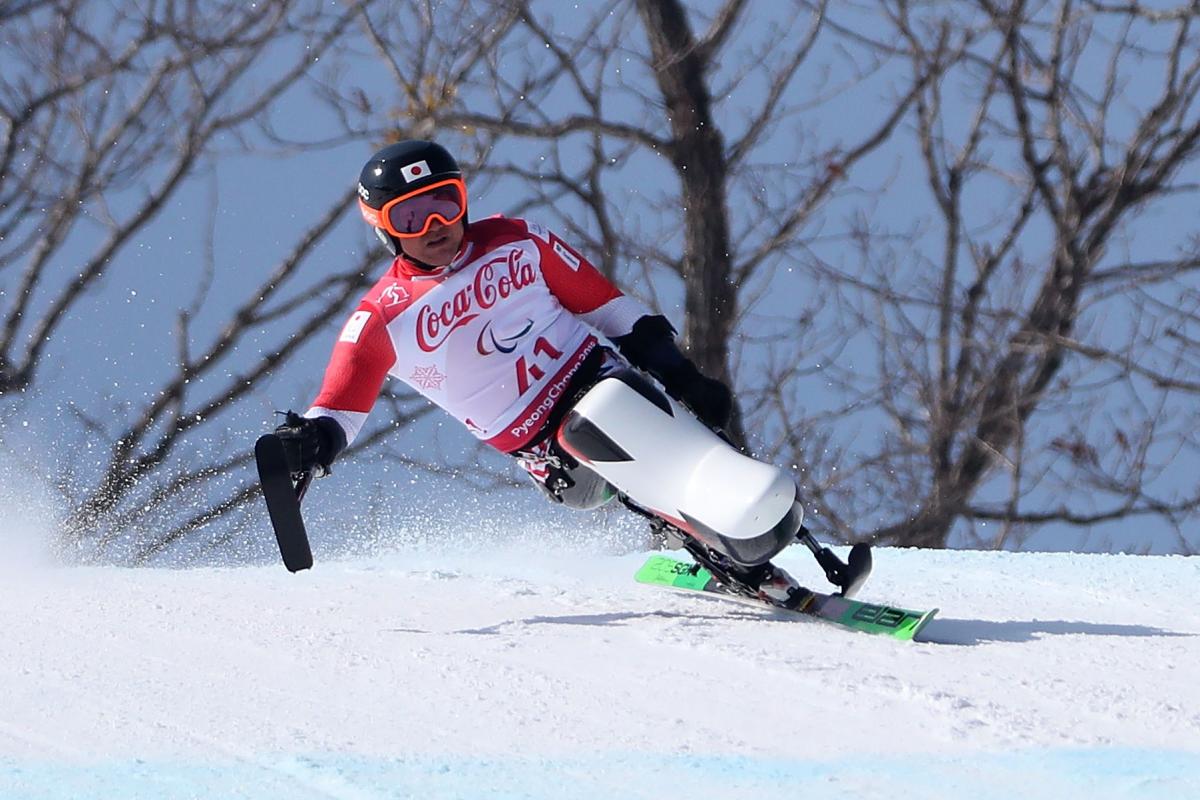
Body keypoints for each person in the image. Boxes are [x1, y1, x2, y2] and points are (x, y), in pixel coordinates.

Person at [273, 139, 734, 512]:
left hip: (601, 379)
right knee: (598, 432)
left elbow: (609, 309)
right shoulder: (382, 317)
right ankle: (677, 522)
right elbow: (340, 408)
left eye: (445, 204)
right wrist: (311, 441)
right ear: (384, 228)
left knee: (652, 416)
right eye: (410, 217)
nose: (435, 225)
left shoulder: (516, 239)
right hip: (546, 446)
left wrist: (682, 376)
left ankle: (736, 514)